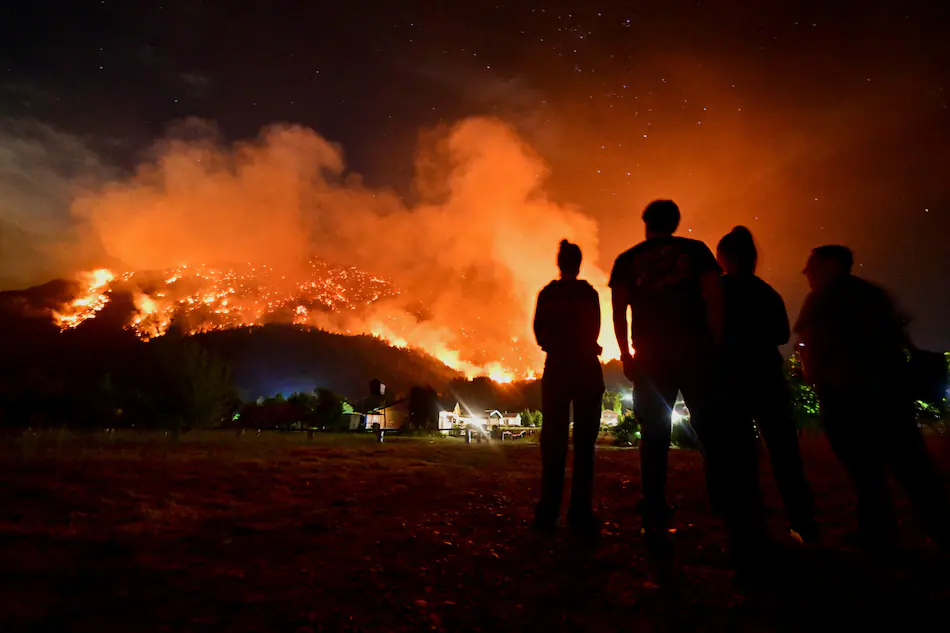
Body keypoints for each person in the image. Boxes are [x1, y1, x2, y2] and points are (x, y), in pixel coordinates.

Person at [610, 200, 767, 565]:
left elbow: (618, 311)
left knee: (653, 436)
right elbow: (714, 296)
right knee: (712, 431)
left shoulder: (628, 260)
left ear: (646, 223)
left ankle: (654, 513)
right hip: (696, 352)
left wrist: (626, 354)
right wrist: (714, 343)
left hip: (651, 356)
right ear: (676, 222)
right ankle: (732, 513)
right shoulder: (695, 251)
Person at [794, 245, 950, 553]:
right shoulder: (873, 294)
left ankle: (879, 533)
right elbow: (899, 335)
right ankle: (939, 528)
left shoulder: (822, 299)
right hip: (890, 392)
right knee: (913, 466)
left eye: (811, 265)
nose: (806, 273)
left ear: (830, 265)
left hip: (846, 395)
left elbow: (811, 346)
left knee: (864, 470)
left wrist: (815, 379)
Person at [717, 226, 818, 544]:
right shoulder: (767, 292)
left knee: (738, 453)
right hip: (766, 376)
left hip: (731, 378)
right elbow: (782, 335)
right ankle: (803, 522)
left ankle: (747, 525)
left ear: (723, 258)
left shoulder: (714, 292)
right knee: (784, 451)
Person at [532, 239, 606, 536]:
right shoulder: (588, 294)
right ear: (579, 263)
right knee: (585, 444)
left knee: (554, 441)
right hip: (586, 368)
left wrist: (556, 345)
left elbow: (539, 333)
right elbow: (595, 329)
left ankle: (548, 511)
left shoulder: (548, 294)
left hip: (558, 368)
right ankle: (580, 513)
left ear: (559, 263)